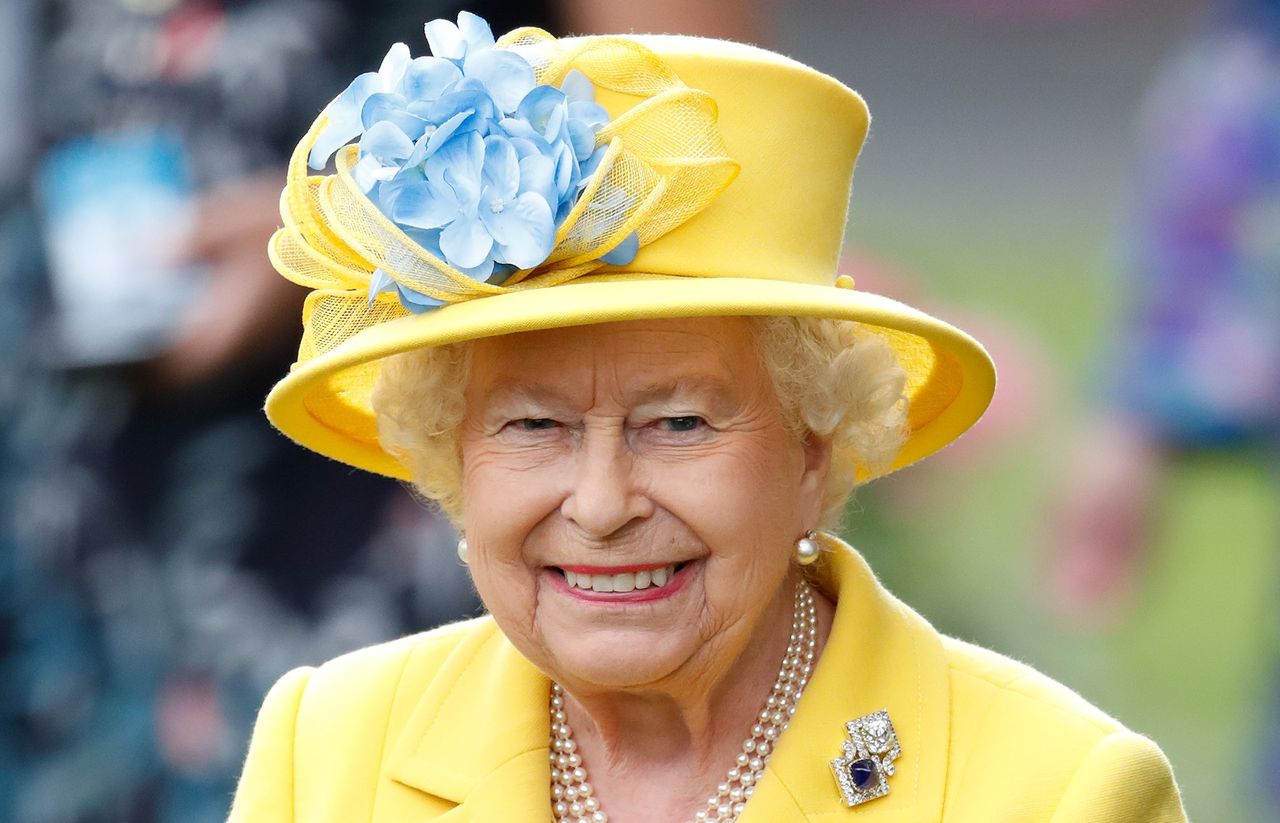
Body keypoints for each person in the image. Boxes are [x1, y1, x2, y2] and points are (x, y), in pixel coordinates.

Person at [228, 12, 1187, 821]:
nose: (601, 504)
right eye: (533, 427)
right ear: (452, 457)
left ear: (816, 450)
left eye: (678, 423)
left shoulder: (1060, 791)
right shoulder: (327, 756)